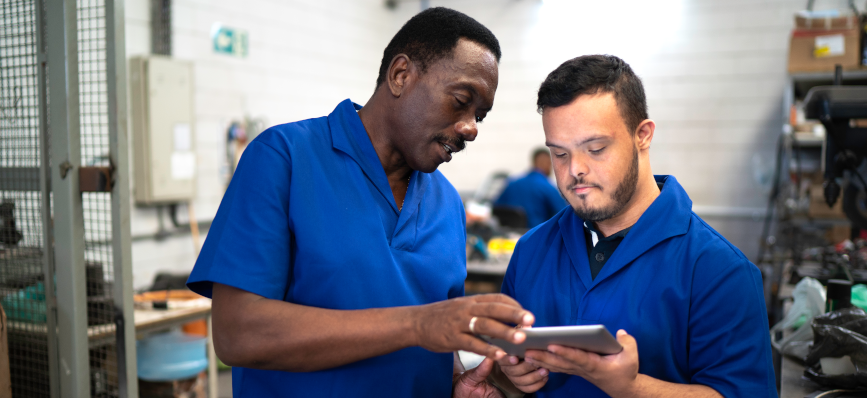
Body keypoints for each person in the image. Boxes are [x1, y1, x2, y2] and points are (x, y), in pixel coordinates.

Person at [186, 8, 535, 398]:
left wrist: (456, 382)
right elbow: (238, 335)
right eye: (460, 101)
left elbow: (437, 340)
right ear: (401, 75)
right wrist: (417, 324)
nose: (470, 128)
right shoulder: (284, 158)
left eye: (480, 116)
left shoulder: (447, 204)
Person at [491, 55, 777, 397]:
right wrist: (509, 374)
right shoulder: (532, 250)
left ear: (642, 135)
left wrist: (632, 388)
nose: (575, 170)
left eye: (595, 149)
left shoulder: (718, 270)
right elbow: (501, 364)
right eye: (560, 154)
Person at [495, 147, 567, 228]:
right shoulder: (547, 187)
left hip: (509, 237)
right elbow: (564, 215)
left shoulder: (511, 183)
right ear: (548, 164)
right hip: (537, 236)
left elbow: (496, 209)